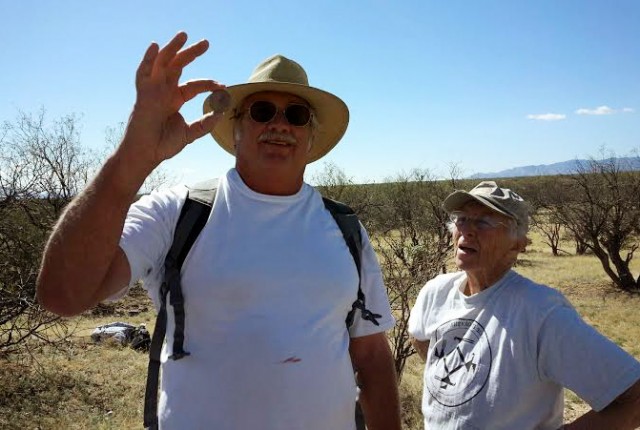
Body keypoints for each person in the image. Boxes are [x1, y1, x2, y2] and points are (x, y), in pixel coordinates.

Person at [36, 32, 401, 430]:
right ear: (236, 126)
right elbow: (62, 295)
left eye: (296, 115)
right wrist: (132, 158)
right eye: (262, 111)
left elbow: (370, 355)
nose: (280, 124)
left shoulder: (344, 227)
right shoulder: (177, 211)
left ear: (311, 135)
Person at [408, 181, 640, 430]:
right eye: (462, 218)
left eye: (484, 222)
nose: (467, 230)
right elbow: (420, 338)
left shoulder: (541, 313)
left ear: (517, 244)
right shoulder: (436, 292)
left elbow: (634, 398)